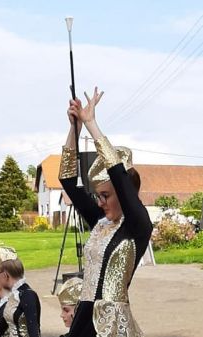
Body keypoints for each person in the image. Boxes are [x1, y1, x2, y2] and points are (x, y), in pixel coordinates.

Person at [59, 87, 153, 337]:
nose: (99, 202)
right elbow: (67, 181)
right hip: (84, 319)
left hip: (110, 327)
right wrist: (75, 130)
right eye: (97, 195)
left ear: (124, 195)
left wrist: (91, 124)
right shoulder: (100, 222)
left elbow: (119, 177)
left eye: (105, 195)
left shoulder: (137, 226)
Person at [0, 247, 41, 337]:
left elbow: (34, 332)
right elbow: (1, 327)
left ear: (5, 275)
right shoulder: (13, 294)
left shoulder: (28, 296)